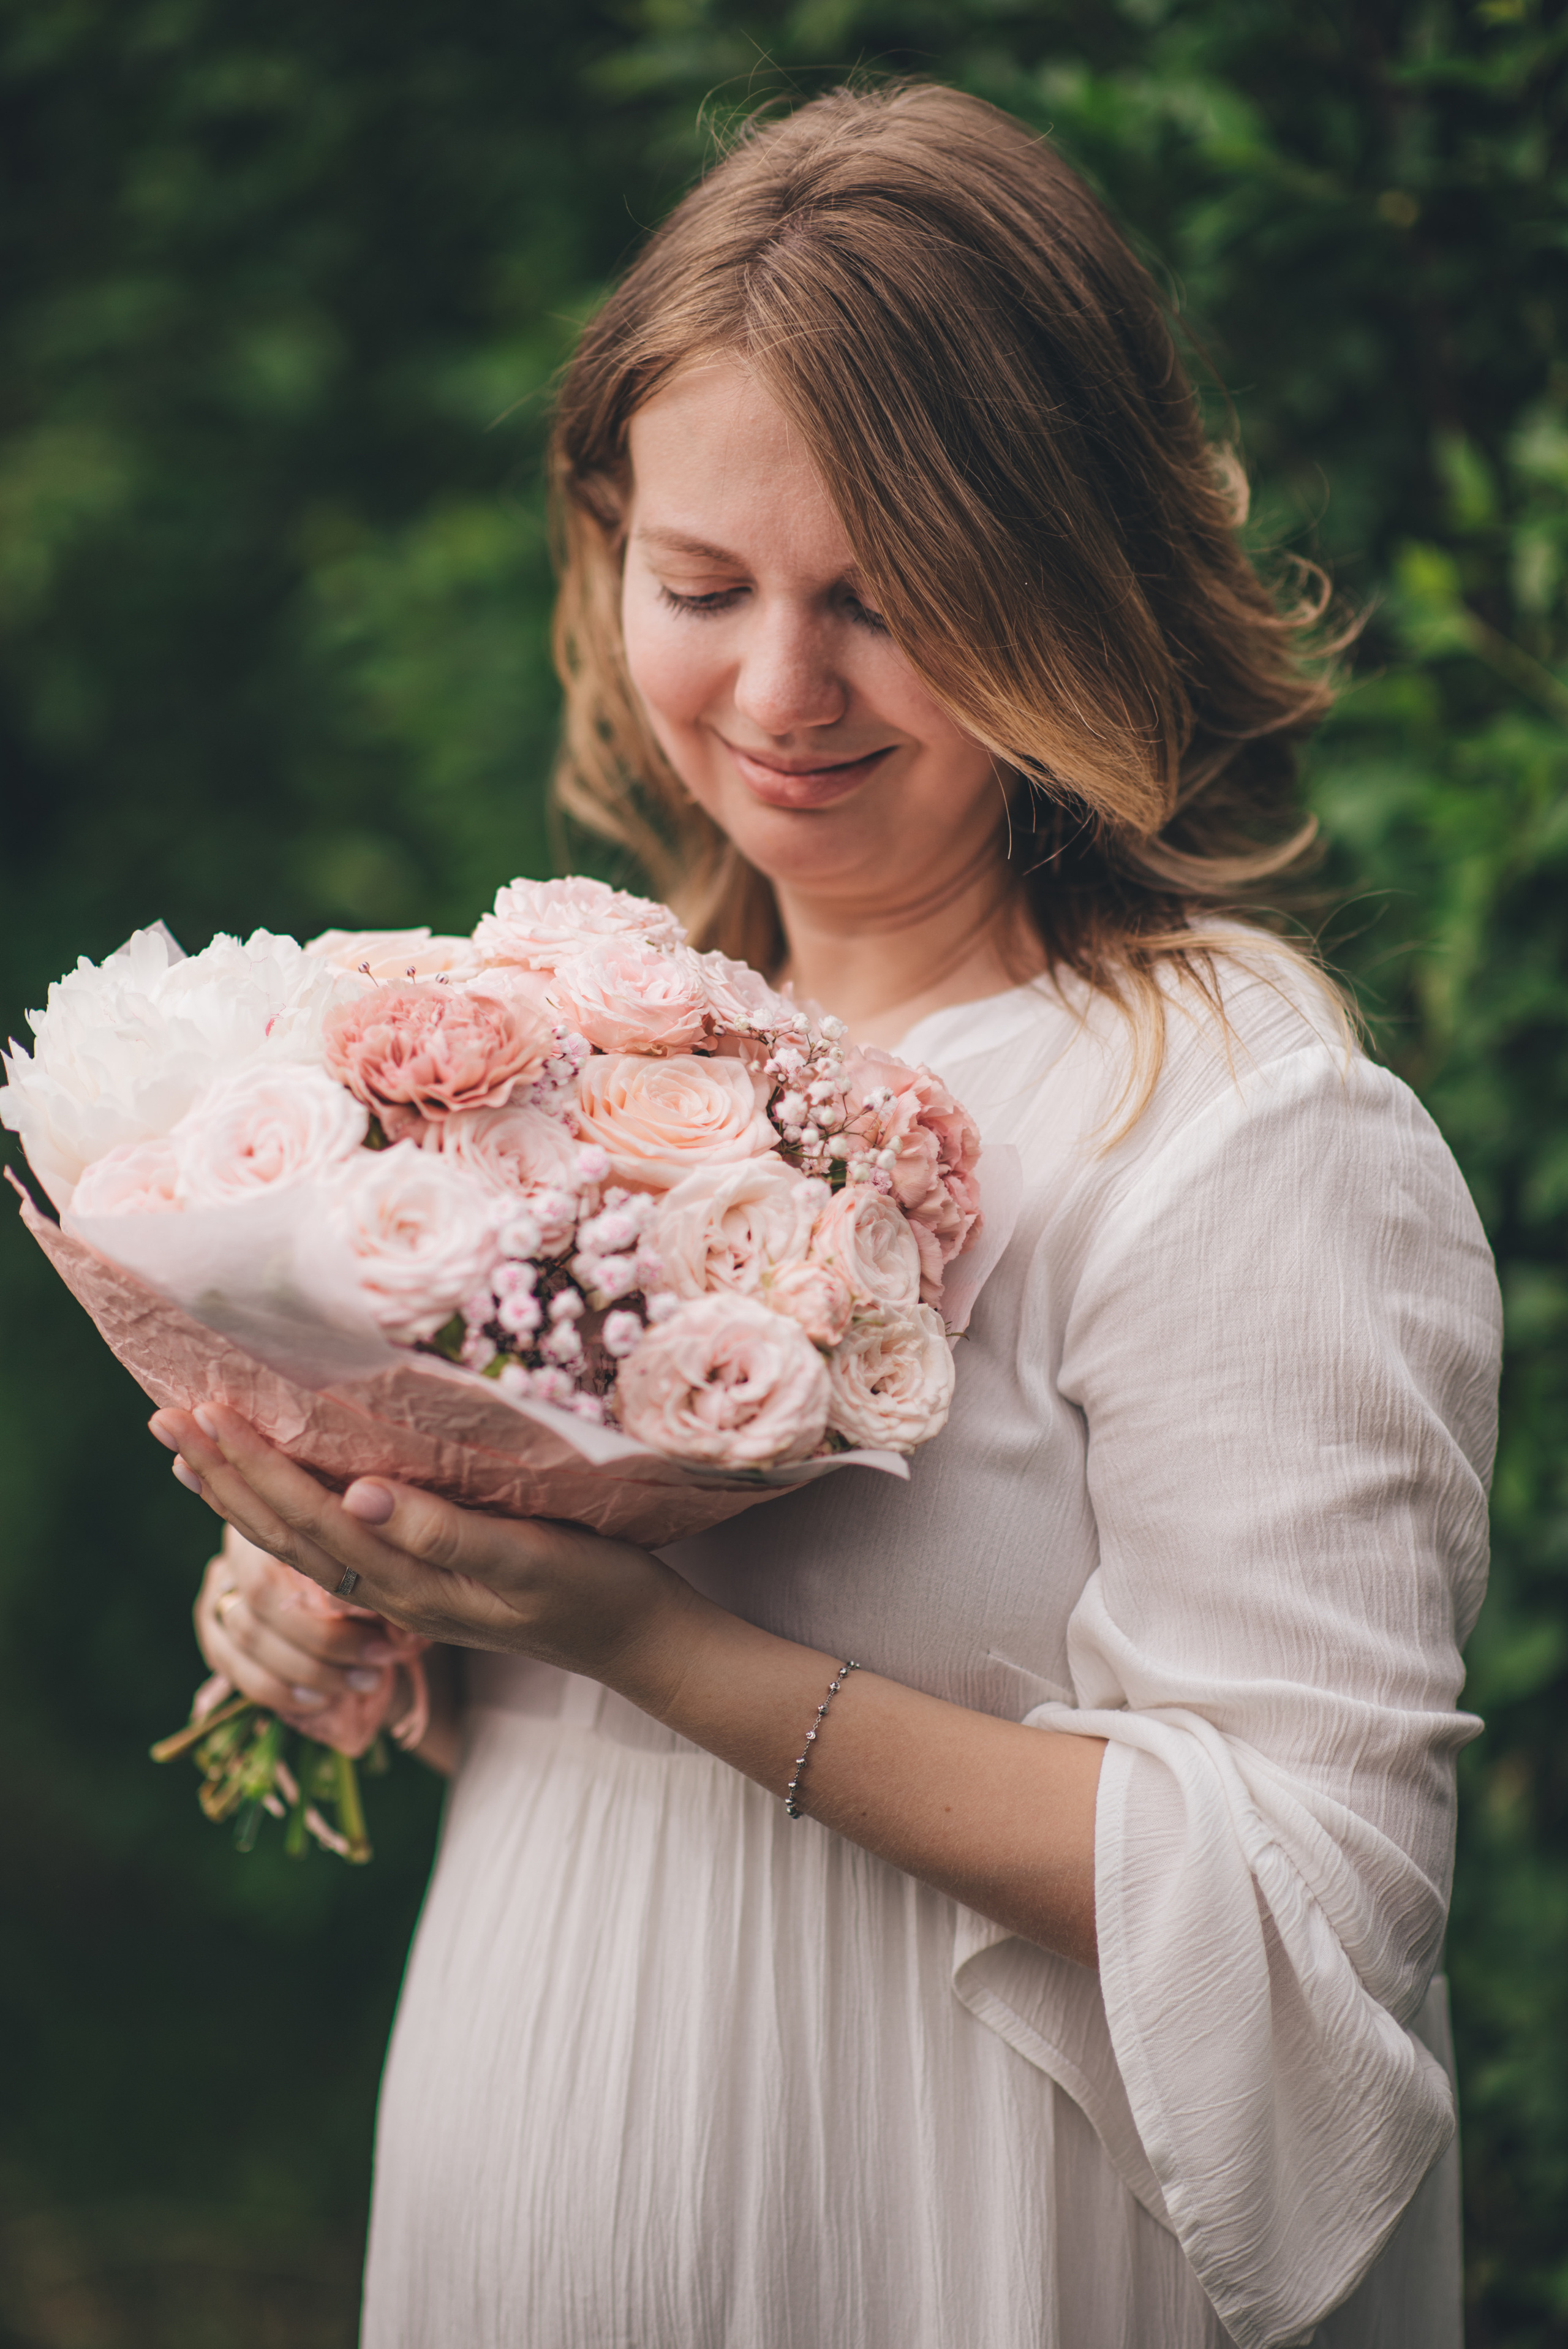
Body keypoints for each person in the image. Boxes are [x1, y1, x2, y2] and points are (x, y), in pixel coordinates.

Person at [151, 83, 1501, 2349]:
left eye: (885, 603)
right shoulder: (574, 1062)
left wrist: (650, 1642)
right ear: (609, 550)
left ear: (1065, 584)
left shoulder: (1243, 1125)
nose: (779, 693)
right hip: (524, 2152)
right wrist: (368, 1600)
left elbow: (1299, 1907)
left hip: (927, 2223)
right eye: (705, 588)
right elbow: (550, 1676)